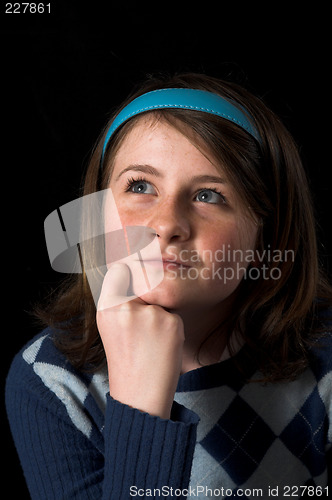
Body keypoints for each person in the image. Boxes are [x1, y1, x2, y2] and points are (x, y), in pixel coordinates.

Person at [5, 73, 332, 499]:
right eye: (140, 187)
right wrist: (140, 408)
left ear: (266, 235)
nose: (166, 224)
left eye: (209, 196)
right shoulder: (51, 379)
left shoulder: (323, 354)